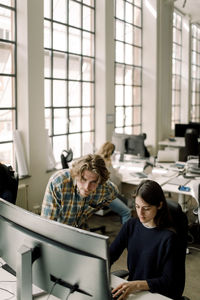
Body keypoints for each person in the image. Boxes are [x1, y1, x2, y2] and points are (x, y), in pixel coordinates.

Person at [109, 180, 185, 300]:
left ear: (159, 205)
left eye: (146, 208)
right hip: (134, 290)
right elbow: (110, 254)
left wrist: (137, 284)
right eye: (137, 206)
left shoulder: (170, 238)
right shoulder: (131, 225)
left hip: (156, 294)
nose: (140, 213)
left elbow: (170, 281)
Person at [41, 154, 118, 228]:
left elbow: (114, 192)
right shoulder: (58, 182)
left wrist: (98, 206)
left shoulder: (107, 189)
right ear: (76, 175)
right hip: (58, 230)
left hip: (80, 229)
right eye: (83, 180)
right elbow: (47, 225)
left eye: (93, 182)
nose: (87, 187)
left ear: (100, 181)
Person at [97, 142, 131, 224]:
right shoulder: (107, 162)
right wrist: (119, 174)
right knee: (127, 212)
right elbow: (115, 181)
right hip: (104, 194)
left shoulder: (96, 158)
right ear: (111, 152)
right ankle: (127, 236)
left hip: (99, 191)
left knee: (125, 200)